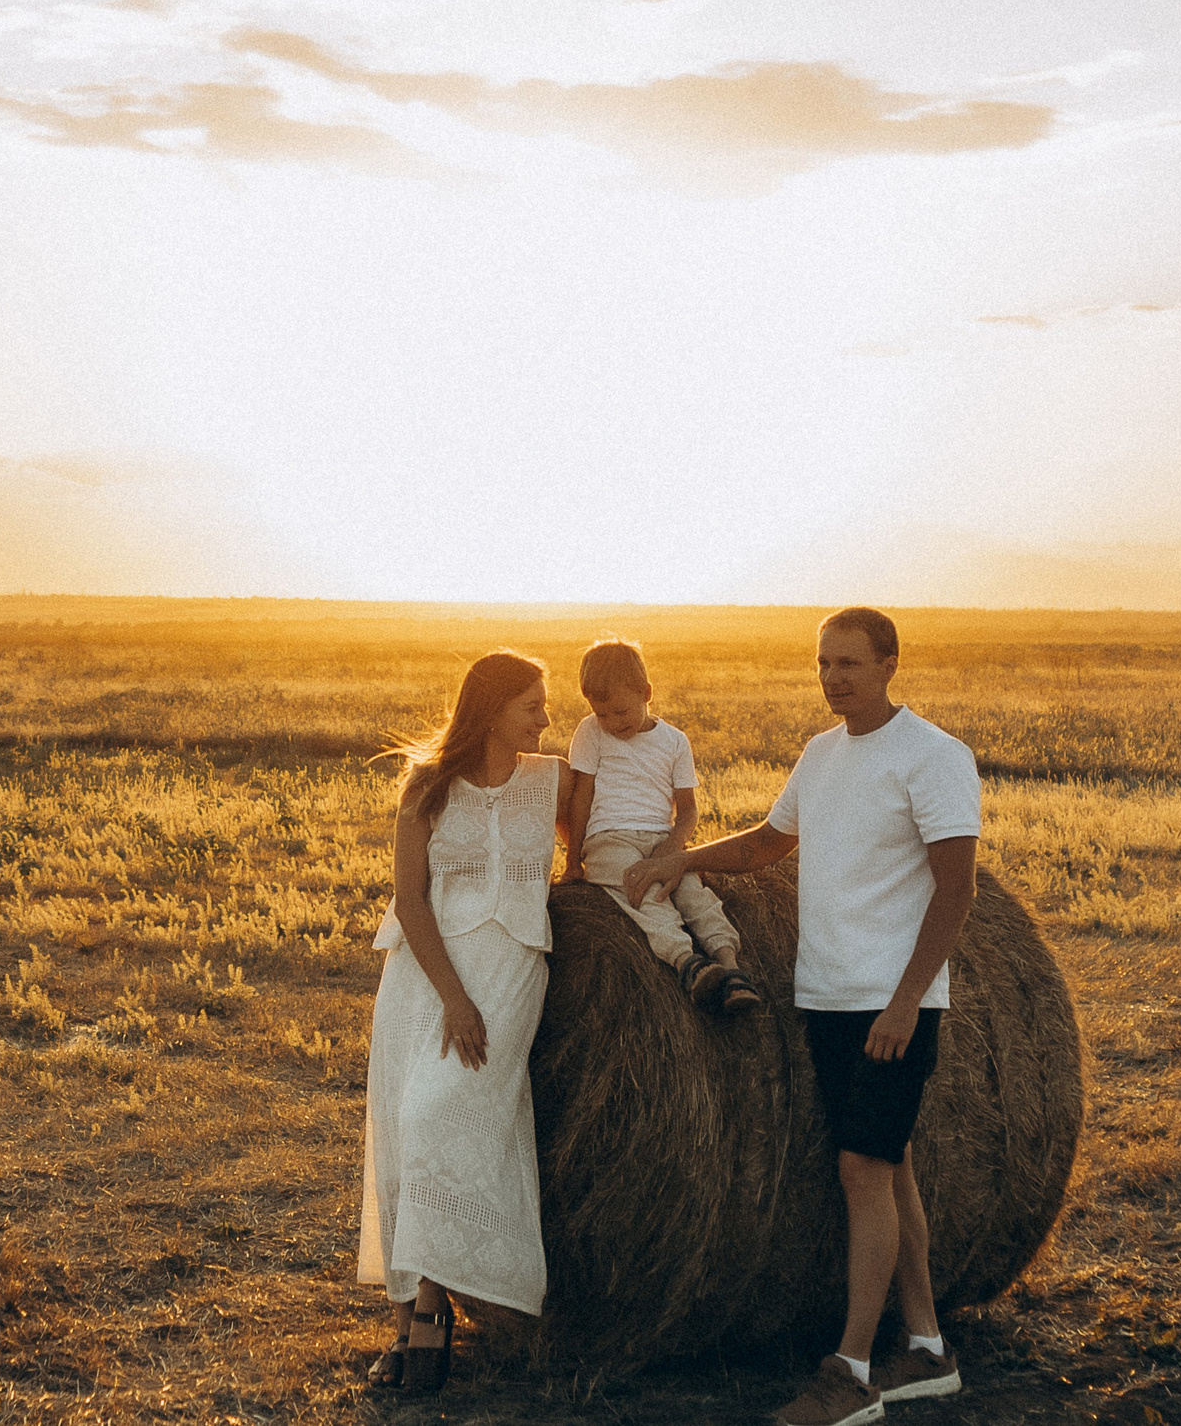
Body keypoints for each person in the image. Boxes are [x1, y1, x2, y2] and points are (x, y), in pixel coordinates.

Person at [621, 607, 978, 1426]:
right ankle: (927, 1346)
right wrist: (681, 858)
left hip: (891, 1004)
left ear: (888, 664)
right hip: (826, 996)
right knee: (890, 1166)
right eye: (823, 662)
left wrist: (905, 1000)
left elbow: (956, 888)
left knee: (862, 1170)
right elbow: (766, 843)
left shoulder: (934, 756)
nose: (832, 677)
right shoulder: (821, 754)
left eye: (849, 662)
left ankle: (850, 1371)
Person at [358, 650, 570, 1394]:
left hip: (511, 967)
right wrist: (452, 996)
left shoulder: (554, 779)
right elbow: (410, 899)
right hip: (425, 974)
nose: (545, 718)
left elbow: (620, 827)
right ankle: (409, 1319)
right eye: (532, 705)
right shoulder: (426, 785)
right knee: (405, 1126)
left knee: (441, 1111)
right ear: (491, 709)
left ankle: (430, 1306)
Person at [563, 637, 763, 1015]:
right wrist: (574, 862)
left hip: (661, 839)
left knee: (693, 894)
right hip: (608, 840)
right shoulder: (589, 732)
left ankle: (731, 967)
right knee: (643, 893)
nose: (612, 723)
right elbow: (581, 798)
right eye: (602, 715)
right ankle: (687, 962)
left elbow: (688, 811)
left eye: (621, 712)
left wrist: (671, 852)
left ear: (647, 693)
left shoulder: (674, 741)